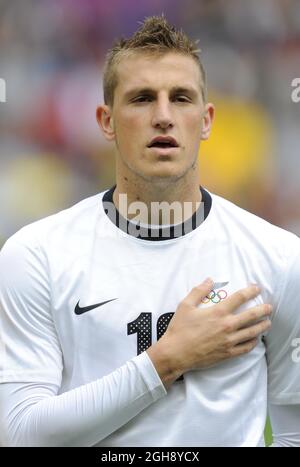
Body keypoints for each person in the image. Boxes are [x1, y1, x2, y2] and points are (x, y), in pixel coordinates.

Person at [0, 16, 299, 448]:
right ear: (106, 121)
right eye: (141, 99)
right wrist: (168, 359)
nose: (163, 117)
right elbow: (20, 435)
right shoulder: (36, 255)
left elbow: (294, 432)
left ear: (207, 120)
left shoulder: (280, 257)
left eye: (181, 98)